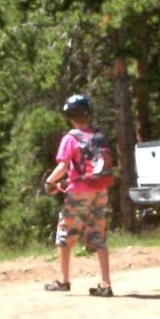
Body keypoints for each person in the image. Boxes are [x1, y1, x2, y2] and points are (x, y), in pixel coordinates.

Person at [43, 93, 113, 297]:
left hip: (79, 194)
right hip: (100, 191)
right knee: (98, 236)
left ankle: (64, 281)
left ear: (70, 116)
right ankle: (105, 283)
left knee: (65, 234)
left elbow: (64, 166)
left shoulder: (70, 138)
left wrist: (50, 182)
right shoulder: (98, 137)